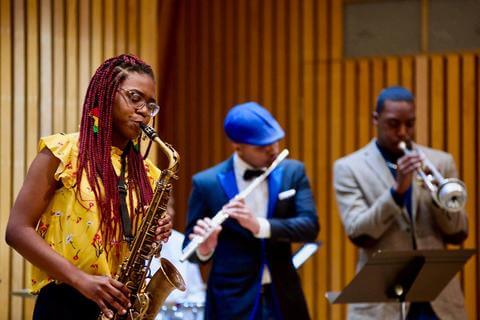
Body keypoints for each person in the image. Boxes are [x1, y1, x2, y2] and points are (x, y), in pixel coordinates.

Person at [5, 54, 173, 320]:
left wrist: (160, 226)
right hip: (66, 301)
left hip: (119, 304)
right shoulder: (63, 152)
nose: (143, 110)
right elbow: (17, 230)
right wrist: (82, 280)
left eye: (150, 105)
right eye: (134, 97)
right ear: (105, 94)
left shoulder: (149, 174)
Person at [333, 86, 469, 319]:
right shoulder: (349, 168)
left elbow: (458, 233)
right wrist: (397, 192)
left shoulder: (440, 161)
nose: (403, 132)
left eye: (410, 124)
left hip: (437, 302)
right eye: (394, 124)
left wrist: (437, 199)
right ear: (376, 120)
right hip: (382, 305)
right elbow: (358, 233)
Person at [183, 102, 320, 320]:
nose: (273, 150)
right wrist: (205, 249)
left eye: (274, 142)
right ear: (237, 146)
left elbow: (310, 227)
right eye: (262, 147)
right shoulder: (206, 183)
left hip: (283, 298)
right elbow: (190, 253)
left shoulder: (292, 172)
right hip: (231, 302)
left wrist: (260, 226)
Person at [150, 198, 206, 320]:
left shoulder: (181, 241)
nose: (171, 212)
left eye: (171, 205)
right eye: (164, 206)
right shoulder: (131, 244)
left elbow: (196, 294)